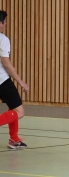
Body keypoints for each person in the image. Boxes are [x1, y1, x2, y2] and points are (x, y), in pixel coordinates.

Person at [0, 10, 29, 149]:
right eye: (4, 22)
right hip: (2, 81)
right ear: (0, 23)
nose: (5, 25)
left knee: (12, 106)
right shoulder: (3, 39)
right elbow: (6, 63)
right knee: (20, 112)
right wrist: (20, 81)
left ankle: (14, 139)